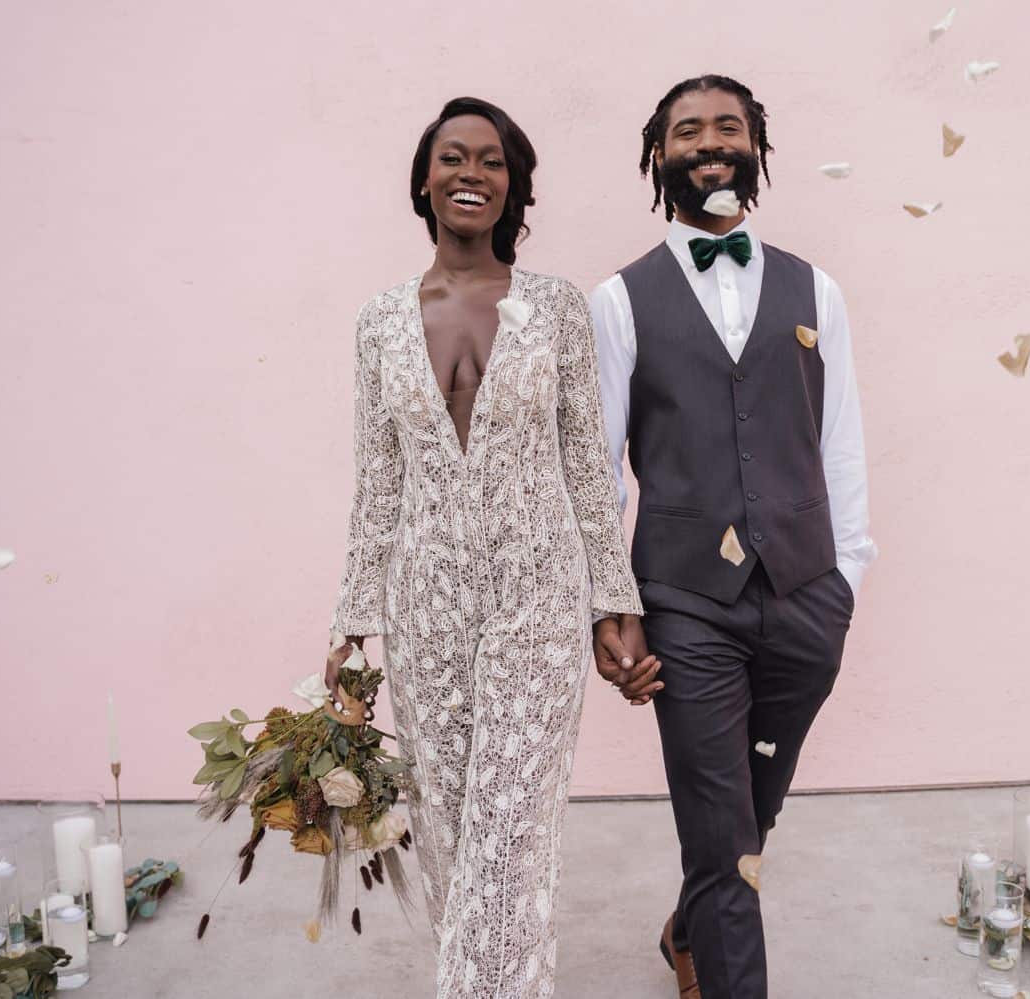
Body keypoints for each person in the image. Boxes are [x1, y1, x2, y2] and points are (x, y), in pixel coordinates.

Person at [329, 96, 655, 999]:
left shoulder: (555, 308)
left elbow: (588, 465)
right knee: (446, 833)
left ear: (513, 187)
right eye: (453, 157)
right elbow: (378, 483)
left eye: (492, 161)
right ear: (423, 182)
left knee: (511, 833)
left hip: (537, 600)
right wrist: (352, 622)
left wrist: (613, 601)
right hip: (423, 611)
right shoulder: (379, 321)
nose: (471, 173)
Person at [589, 75, 879, 998]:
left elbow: (840, 440)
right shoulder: (619, 300)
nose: (709, 143)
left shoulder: (816, 289)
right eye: (688, 131)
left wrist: (845, 579)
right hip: (684, 603)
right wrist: (610, 605)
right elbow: (597, 470)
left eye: (728, 127)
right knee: (719, 833)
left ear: (756, 147)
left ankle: (687, 926)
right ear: (659, 154)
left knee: (751, 812)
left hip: (806, 594)